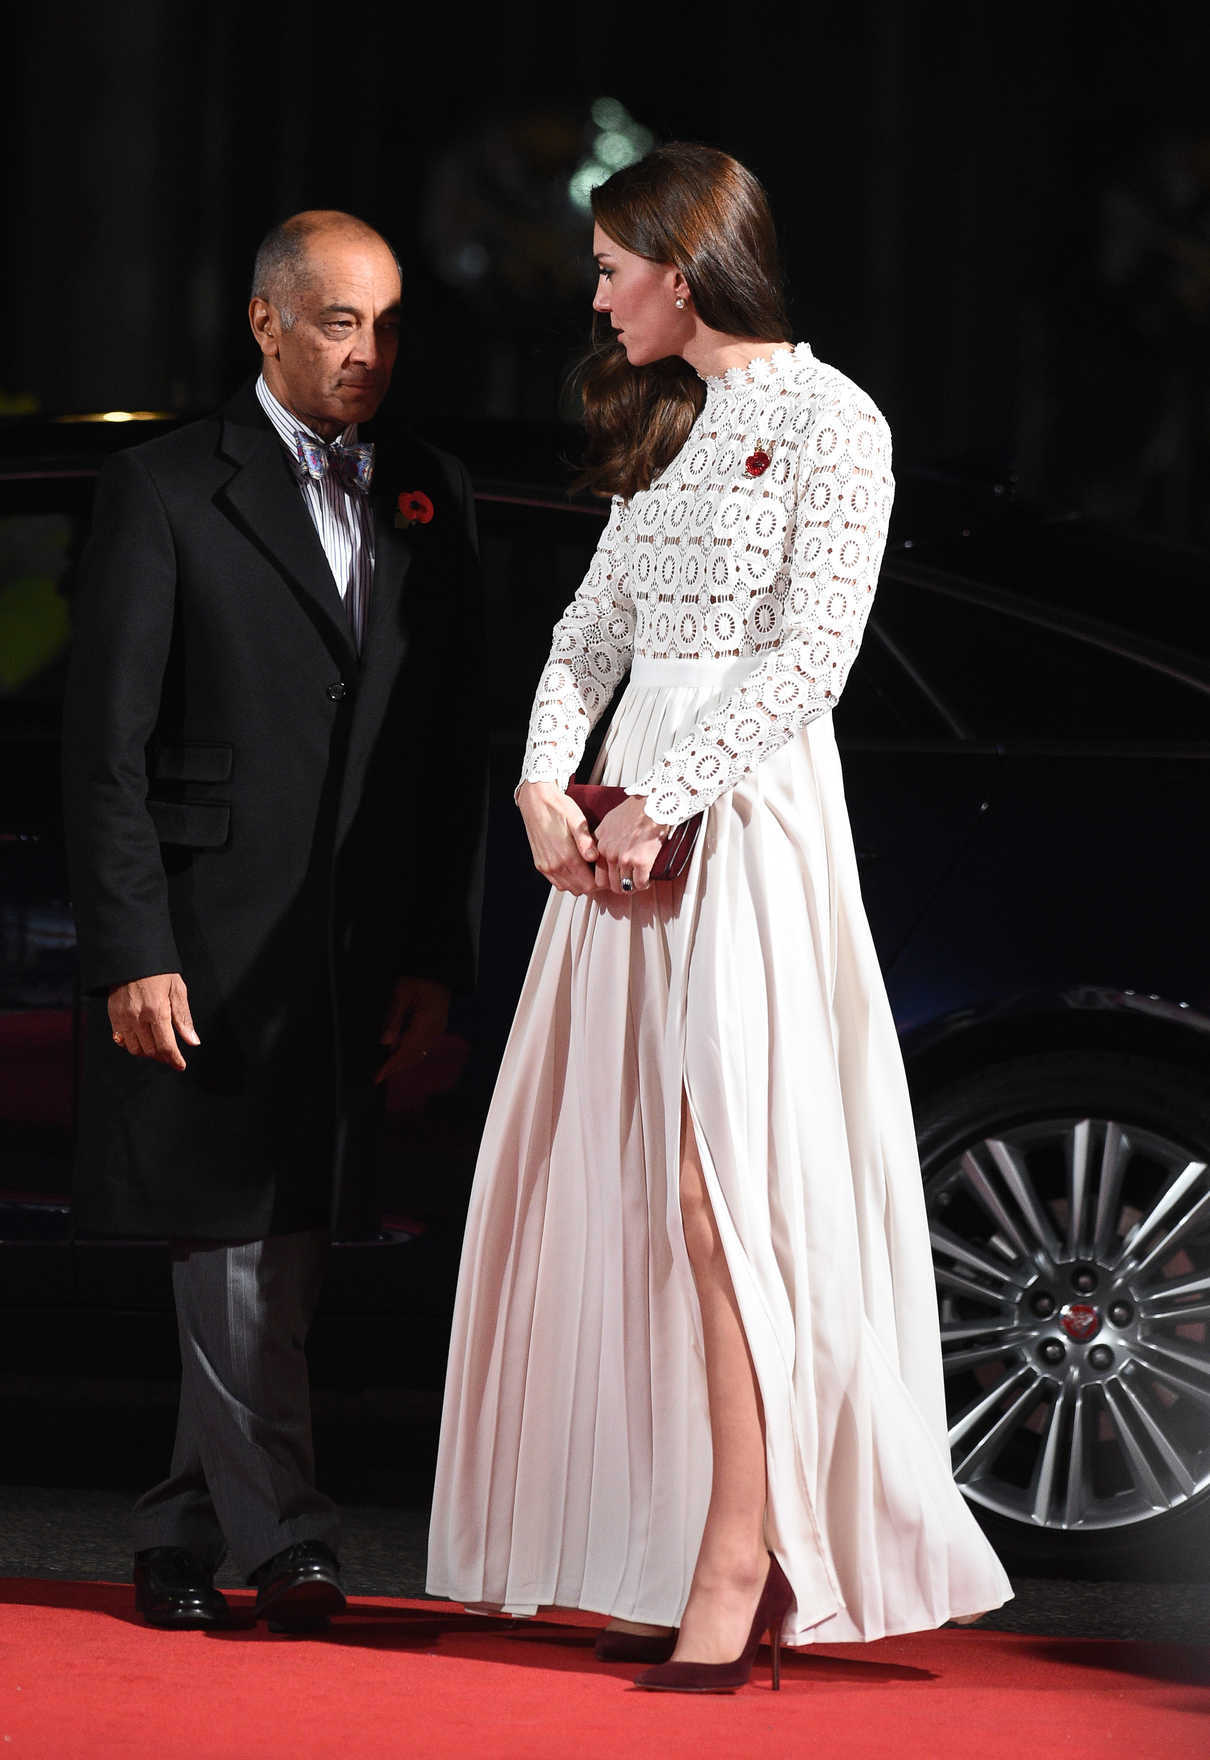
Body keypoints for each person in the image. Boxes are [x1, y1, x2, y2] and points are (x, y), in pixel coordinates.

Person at [427, 144, 1011, 1692]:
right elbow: (583, 636)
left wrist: (657, 799)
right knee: (626, 1200)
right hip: (623, 854)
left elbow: (812, 655)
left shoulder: (833, 419)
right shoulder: (674, 428)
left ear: (682, 270)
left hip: (738, 838)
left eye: (613, 267)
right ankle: (670, 1537)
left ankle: (746, 1555)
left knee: (717, 1199)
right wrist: (548, 787)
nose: (597, 295)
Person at [62, 210, 484, 1632]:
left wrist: (435, 950)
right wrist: (131, 945)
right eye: (336, 323)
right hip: (209, 937)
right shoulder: (165, 484)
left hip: (354, 945)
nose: (367, 354)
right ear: (265, 323)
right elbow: (104, 745)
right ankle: (290, 1538)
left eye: (384, 326)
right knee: (233, 1241)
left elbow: (447, 750)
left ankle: (179, 1531)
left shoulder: (427, 490)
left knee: (281, 1251)